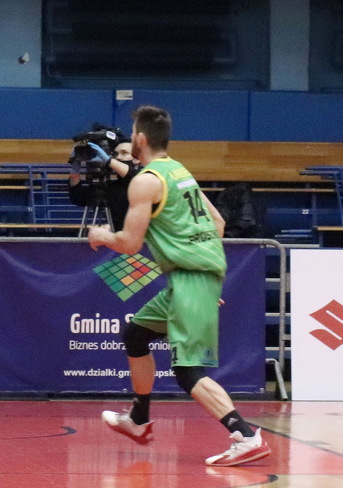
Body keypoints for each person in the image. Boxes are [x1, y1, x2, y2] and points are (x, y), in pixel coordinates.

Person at [87, 105, 269, 468]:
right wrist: (206, 282)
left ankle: (246, 436)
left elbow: (130, 243)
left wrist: (101, 235)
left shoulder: (146, 181)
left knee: (187, 371)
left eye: (131, 133)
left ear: (140, 139)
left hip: (190, 278)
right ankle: (138, 419)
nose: (130, 138)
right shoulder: (179, 172)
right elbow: (217, 223)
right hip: (191, 279)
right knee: (135, 334)